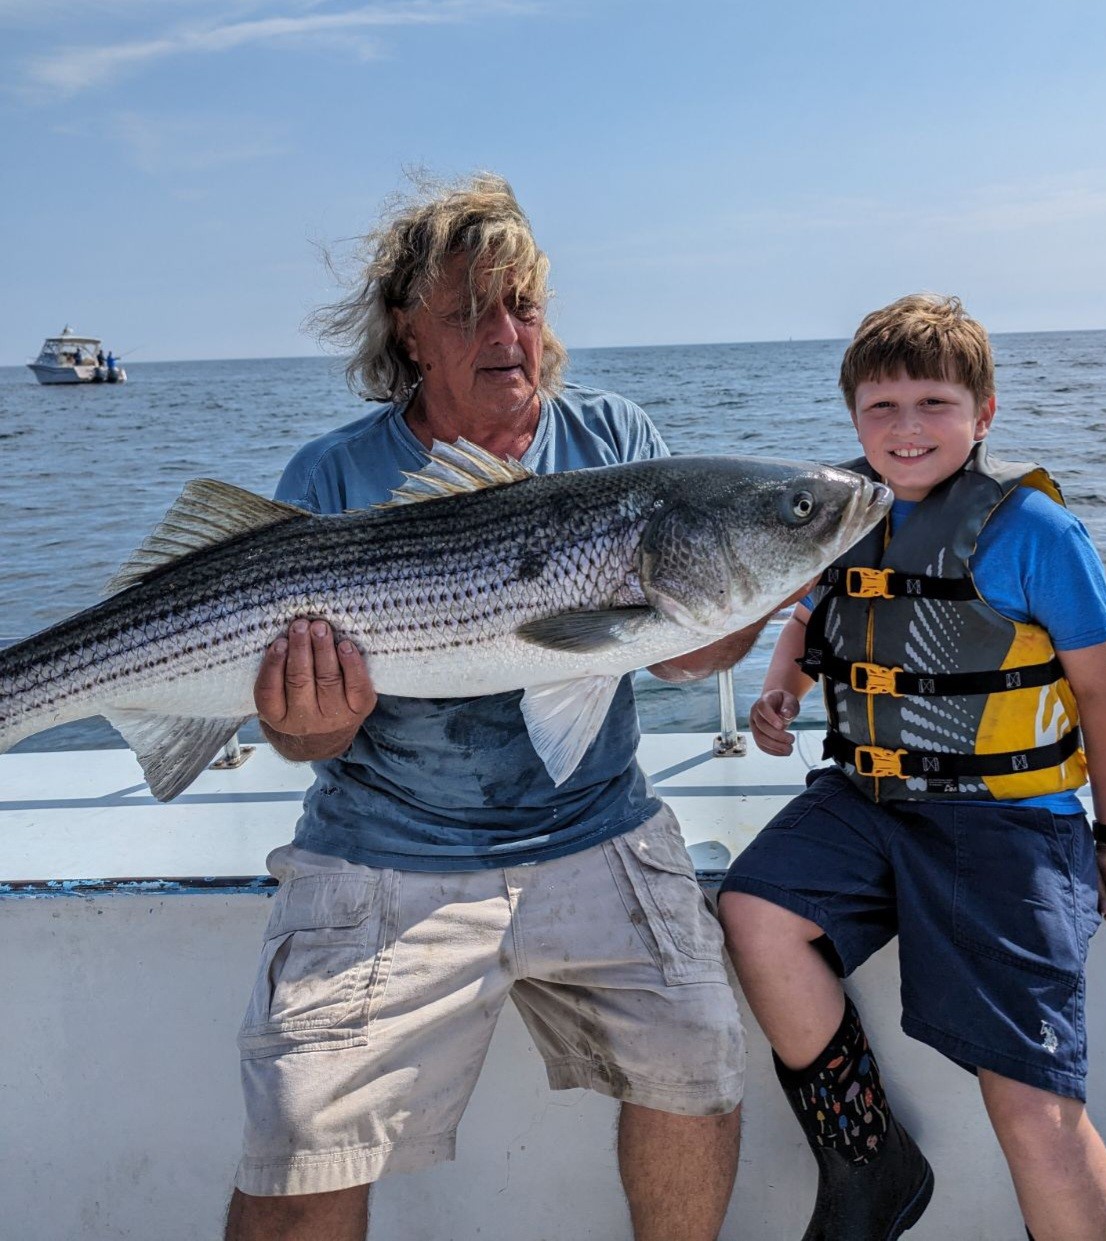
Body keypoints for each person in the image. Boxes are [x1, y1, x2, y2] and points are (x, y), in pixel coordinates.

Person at [224, 172, 783, 1241]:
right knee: (301, 1134)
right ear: (408, 332)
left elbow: (677, 661)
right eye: (469, 308)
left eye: (522, 304)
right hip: (385, 848)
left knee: (700, 1060)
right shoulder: (335, 473)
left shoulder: (616, 434)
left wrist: (754, 583)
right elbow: (307, 740)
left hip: (597, 825)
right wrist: (308, 718)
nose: (506, 331)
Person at [717, 294, 1106, 1241]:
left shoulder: (1036, 531)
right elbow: (809, 615)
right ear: (852, 418)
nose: (906, 428)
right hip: (867, 798)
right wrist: (781, 691)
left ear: (983, 413)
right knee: (754, 910)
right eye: (882, 407)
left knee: (1031, 1099)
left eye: (933, 403)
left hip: (1006, 822)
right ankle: (867, 1158)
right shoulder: (832, 513)